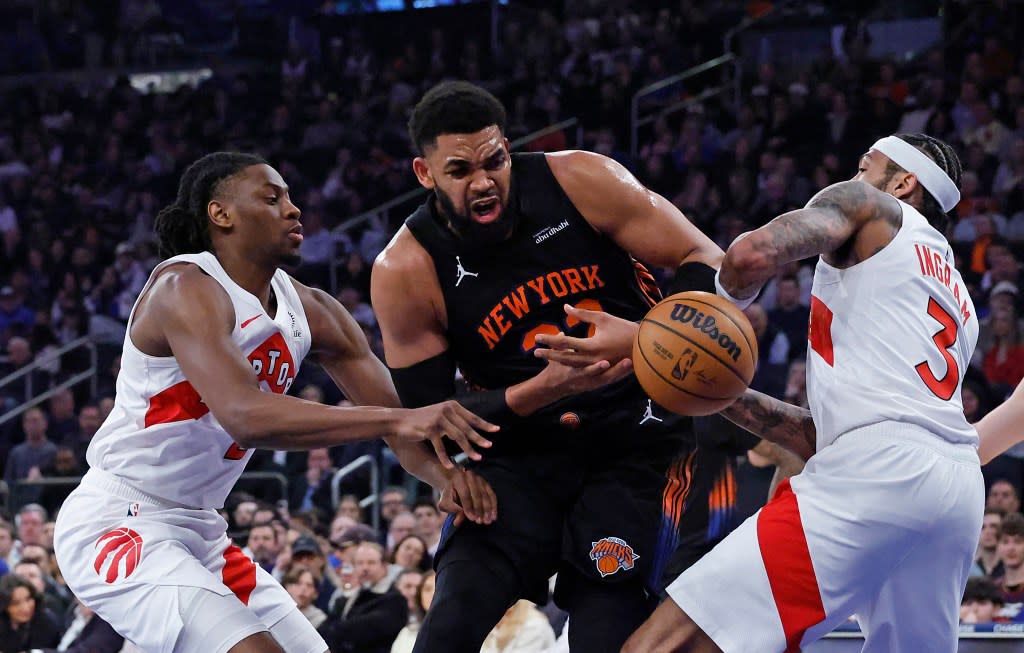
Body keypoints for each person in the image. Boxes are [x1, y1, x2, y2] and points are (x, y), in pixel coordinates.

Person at [52, 152, 498, 653]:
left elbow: (401, 421)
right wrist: (403, 417)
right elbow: (247, 417)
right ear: (221, 214)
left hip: (202, 531)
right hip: (120, 519)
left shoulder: (312, 309)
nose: (293, 209)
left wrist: (446, 480)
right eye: (271, 198)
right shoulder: (185, 286)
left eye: (289, 197)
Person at [371, 81, 724, 653]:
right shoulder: (405, 268)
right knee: (448, 630)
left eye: (494, 161)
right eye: (460, 170)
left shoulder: (581, 179)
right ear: (424, 173)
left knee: (604, 634)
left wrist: (644, 339)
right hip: (518, 455)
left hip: (634, 436)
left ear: (509, 148)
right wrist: (537, 393)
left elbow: (707, 258)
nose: (483, 182)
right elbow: (425, 418)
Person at [616, 133, 981, 652]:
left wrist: (703, 316)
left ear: (902, 182)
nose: (854, 177)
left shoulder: (868, 205)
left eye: (864, 164)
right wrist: (713, 388)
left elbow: (749, 254)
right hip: (957, 492)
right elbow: (820, 436)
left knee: (662, 646)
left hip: (873, 475)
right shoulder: (960, 301)